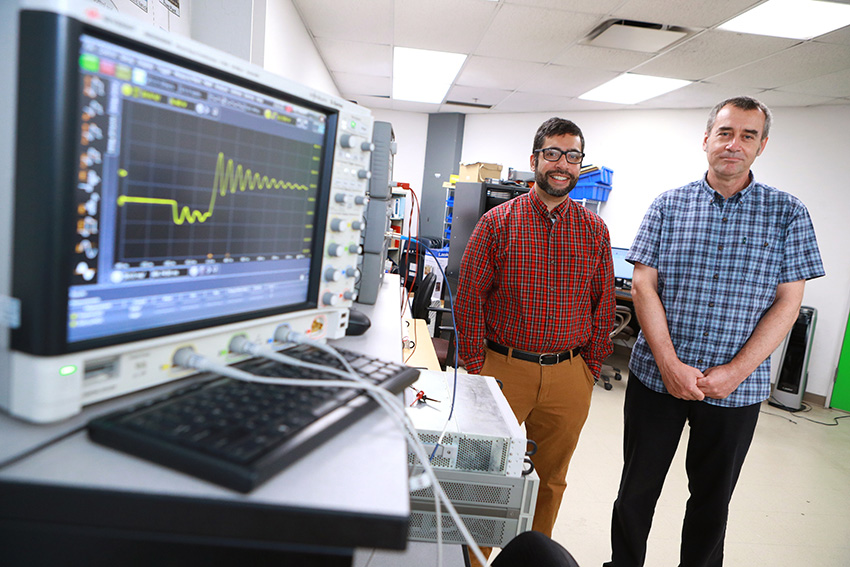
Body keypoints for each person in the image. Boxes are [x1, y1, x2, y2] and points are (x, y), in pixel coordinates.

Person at [605, 96, 825, 567]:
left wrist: (734, 373)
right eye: (725, 132)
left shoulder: (788, 213)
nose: (734, 144)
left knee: (711, 500)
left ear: (762, 145)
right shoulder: (668, 205)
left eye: (748, 135)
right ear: (706, 139)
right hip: (655, 380)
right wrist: (667, 363)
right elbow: (643, 284)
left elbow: (789, 302)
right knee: (636, 490)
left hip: (735, 392)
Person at [455, 117, 616, 559]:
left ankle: (535, 561)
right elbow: (469, 300)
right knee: (486, 475)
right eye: (552, 154)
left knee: (551, 480)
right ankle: (473, 559)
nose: (562, 164)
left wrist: (589, 370)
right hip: (501, 370)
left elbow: (604, 307)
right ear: (535, 160)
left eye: (573, 156)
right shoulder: (497, 223)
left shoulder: (595, 231)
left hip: (568, 375)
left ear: (581, 165)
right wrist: (475, 372)